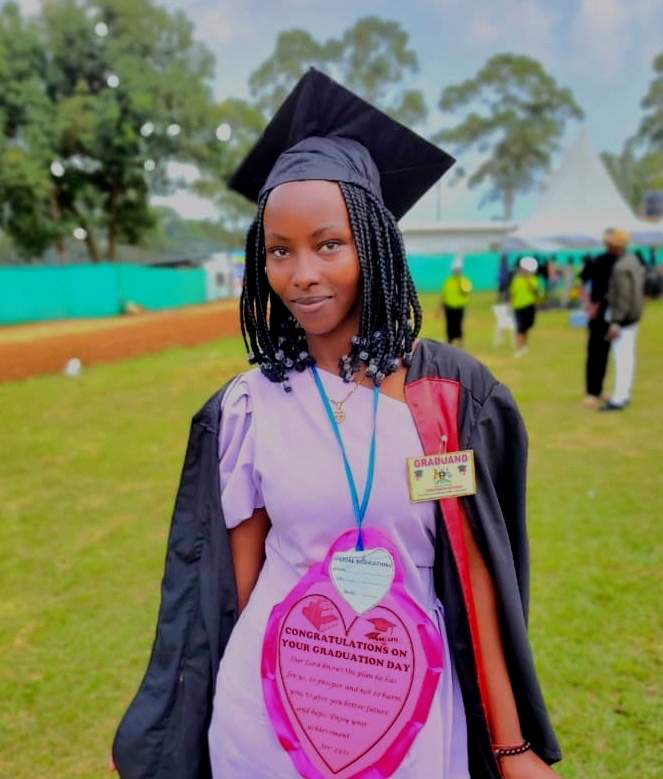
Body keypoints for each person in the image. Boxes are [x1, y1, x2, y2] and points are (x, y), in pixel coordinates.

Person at [112, 69, 561, 779]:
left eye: (329, 244)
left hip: (406, 706)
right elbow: (229, 586)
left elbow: (477, 574)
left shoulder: (447, 396)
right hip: (266, 712)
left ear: (376, 246)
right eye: (280, 249)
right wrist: (176, 723)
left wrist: (511, 746)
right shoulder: (249, 405)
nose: (301, 274)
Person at [600, 229, 645, 411]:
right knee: (628, 358)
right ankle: (623, 393)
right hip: (634, 318)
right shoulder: (633, 261)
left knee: (622, 359)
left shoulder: (620, 267)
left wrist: (616, 322)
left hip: (624, 320)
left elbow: (624, 297)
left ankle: (619, 398)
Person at [579, 231, 617, 407]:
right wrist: (588, 305)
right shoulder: (597, 262)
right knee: (594, 352)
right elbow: (583, 284)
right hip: (597, 315)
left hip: (613, 314)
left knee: (605, 352)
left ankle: (600, 389)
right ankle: (591, 391)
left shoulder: (619, 264)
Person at [509, 256, 540, 357]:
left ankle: (524, 346)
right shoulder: (516, 281)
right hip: (519, 307)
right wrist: (511, 306)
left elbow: (536, 292)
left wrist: (529, 281)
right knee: (519, 328)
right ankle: (518, 349)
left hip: (529, 306)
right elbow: (513, 294)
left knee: (526, 328)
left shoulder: (534, 280)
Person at [441, 255, 473, 346]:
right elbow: (444, 295)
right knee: (450, 327)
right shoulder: (448, 281)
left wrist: (460, 283)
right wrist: (440, 309)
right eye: (455, 270)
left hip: (459, 307)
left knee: (458, 326)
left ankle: (460, 345)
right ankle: (449, 344)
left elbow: (465, 293)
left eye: (458, 270)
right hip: (449, 306)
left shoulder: (465, 281)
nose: (457, 272)